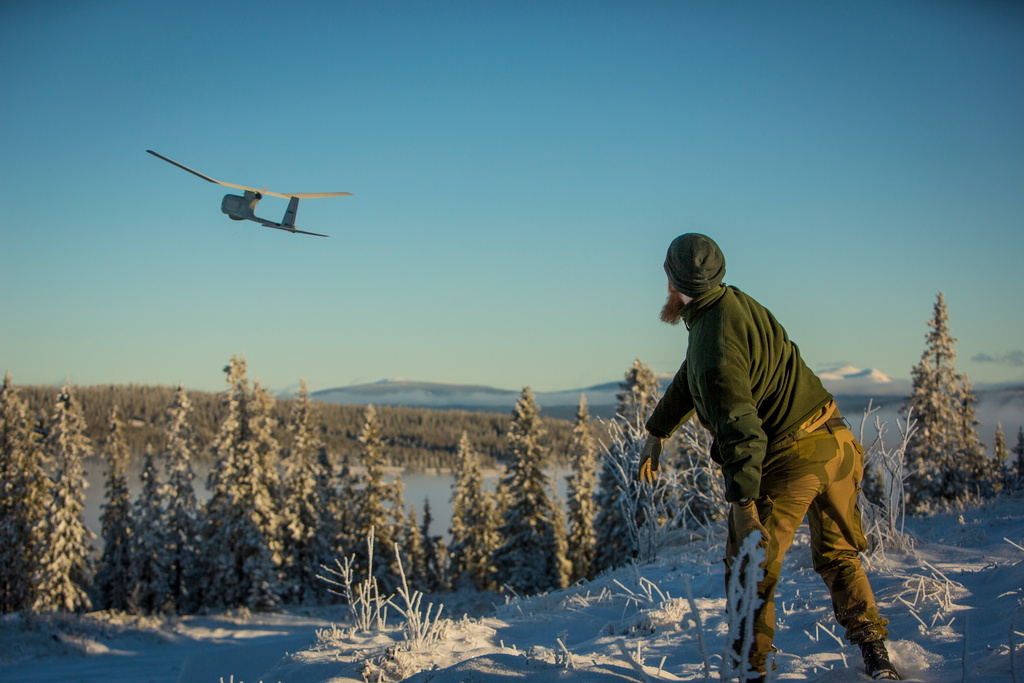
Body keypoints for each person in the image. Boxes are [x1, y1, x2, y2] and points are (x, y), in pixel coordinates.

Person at [636, 233, 900, 681]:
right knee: (838, 556)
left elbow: (741, 428)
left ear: (671, 278)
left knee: (748, 571)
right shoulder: (731, 304)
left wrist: (743, 504)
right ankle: (877, 656)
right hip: (836, 444)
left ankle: (748, 673)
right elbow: (692, 374)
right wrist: (657, 430)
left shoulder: (711, 344)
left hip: (790, 458)